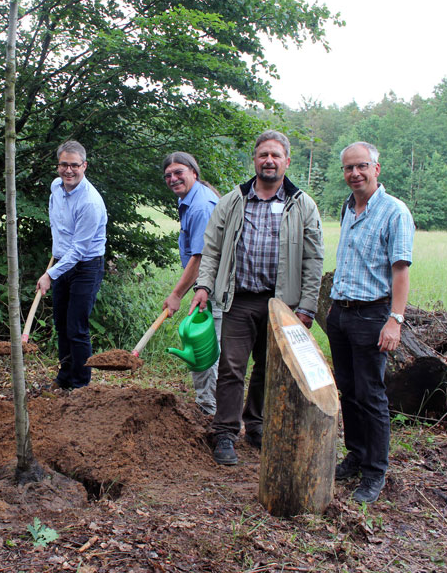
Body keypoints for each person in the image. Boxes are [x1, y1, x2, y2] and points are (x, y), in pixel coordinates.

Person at [189, 130, 324, 466]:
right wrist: (203, 286)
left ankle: (257, 425)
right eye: (263, 154)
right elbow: (212, 249)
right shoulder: (233, 201)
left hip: (281, 305)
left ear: (287, 162)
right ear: (255, 160)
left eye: (276, 155)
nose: (269, 161)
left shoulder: (302, 204)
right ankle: (224, 433)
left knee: (268, 368)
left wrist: (307, 306)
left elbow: (313, 258)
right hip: (239, 299)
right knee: (232, 367)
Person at [327, 141, 414, 503]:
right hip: (341, 313)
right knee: (348, 389)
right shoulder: (349, 208)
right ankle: (357, 454)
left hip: (372, 315)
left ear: (376, 169)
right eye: (348, 168)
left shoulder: (394, 212)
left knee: (370, 394)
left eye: (361, 166)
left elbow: (400, 271)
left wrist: (394, 320)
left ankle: (375, 472)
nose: (355, 174)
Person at [35, 140, 107, 390]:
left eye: (74, 165)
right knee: (61, 325)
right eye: (64, 164)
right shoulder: (56, 187)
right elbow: (58, 225)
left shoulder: (90, 202)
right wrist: (56, 260)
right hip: (62, 262)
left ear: (84, 166)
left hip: (85, 266)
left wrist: (49, 275)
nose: (69, 170)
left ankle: (80, 384)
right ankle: (64, 377)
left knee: (76, 327)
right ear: (58, 166)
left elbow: (80, 249)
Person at [161, 152, 221, 415]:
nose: (173, 179)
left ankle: (209, 410)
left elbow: (200, 257)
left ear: (194, 173)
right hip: (205, 284)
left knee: (204, 346)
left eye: (179, 172)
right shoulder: (188, 200)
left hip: (215, 286)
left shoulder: (200, 205)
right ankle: (208, 405)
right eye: (168, 175)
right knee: (203, 344)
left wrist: (176, 294)